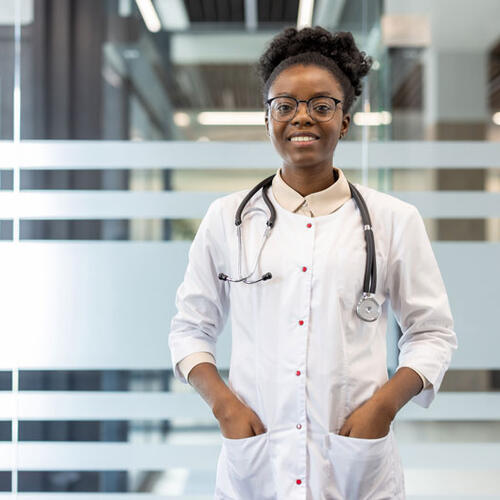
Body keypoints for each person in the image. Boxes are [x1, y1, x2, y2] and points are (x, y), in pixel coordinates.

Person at [168, 26, 458, 500]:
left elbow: (432, 333)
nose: (302, 118)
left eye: (321, 105)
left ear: (344, 121)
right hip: (257, 457)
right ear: (268, 118)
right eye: (285, 105)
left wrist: (382, 408)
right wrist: (224, 407)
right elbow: (189, 330)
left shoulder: (394, 220)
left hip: (354, 454)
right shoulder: (226, 219)